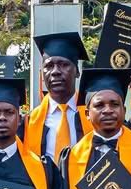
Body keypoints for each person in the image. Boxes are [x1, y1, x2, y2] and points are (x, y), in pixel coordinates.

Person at [27, 32, 89, 160]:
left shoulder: (93, 117)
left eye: (64, 64)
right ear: (42, 75)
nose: (55, 72)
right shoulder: (28, 123)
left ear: (77, 72)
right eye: (49, 66)